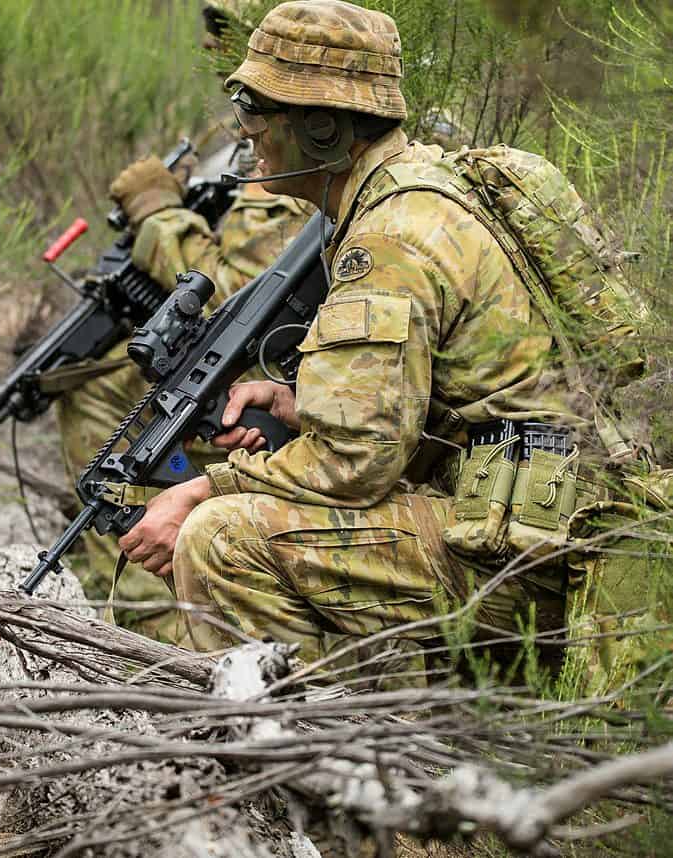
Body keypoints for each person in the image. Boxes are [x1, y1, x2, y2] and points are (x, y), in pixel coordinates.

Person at [115, 0, 658, 688]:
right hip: (560, 521)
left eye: (259, 111)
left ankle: (319, 768)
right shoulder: (433, 189)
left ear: (317, 128)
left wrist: (197, 492)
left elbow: (354, 467)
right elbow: (463, 398)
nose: (246, 133)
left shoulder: (389, 239)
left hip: (528, 556)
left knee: (220, 538)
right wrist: (299, 403)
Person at [56, 0, 313, 642]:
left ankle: (152, 625)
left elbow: (235, 290)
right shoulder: (250, 142)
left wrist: (159, 214)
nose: (213, 52)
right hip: (265, 372)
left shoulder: (294, 144)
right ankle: (135, 601)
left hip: (271, 371)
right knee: (99, 389)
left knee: (111, 416)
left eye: (229, 35)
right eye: (214, 37)